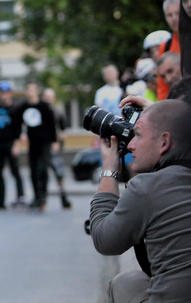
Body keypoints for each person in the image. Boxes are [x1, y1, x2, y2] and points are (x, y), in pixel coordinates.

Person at [89, 98, 191, 301]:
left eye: (138, 134)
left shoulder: (148, 189)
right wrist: (160, 114)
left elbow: (105, 240)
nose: (131, 144)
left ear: (164, 142)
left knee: (126, 282)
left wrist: (109, 170)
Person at [18, 81, 57, 212]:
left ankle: (43, 197)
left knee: (42, 169)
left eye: (32, 90)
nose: (30, 92)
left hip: (45, 143)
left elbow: (52, 125)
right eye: (28, 90)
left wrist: (54, 141)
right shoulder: (23, 107)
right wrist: (21, 134)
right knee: (33, 170)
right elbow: (17, 123)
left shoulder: (44, 107)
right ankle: (36, 197)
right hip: (32, 143)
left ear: (37, 91)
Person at [0, 81, 25, 210]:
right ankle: (0, 200)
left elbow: (18, 128)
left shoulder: (15, 109)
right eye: (2, 93)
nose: (4, 95)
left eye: (6, 92)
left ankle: (20, 197)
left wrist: (16, 144)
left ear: (11, 94)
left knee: (15, 171)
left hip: (11, 143)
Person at [42, 87, 73, 209]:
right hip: (43, 147)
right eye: (46, 97)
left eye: (50, 97)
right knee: (42, 174)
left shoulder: (57, 112)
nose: (48, 100)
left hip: (55, 148)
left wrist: (57, 142)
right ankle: (42, 199)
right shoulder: (41, 112)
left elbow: (62, 131)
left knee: (59, 174)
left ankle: (63, 196)